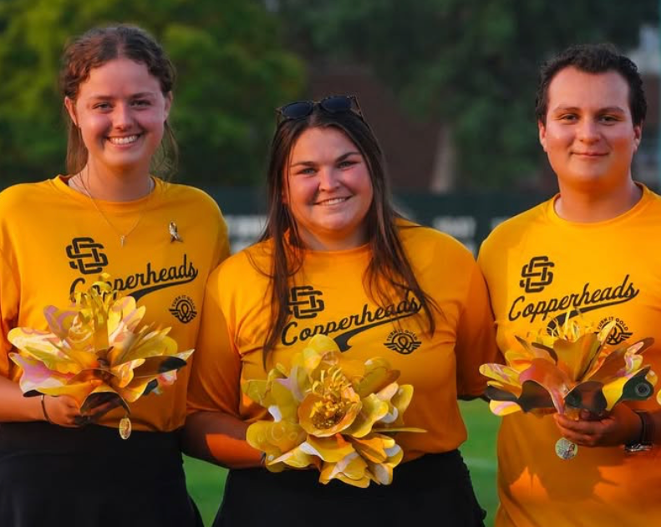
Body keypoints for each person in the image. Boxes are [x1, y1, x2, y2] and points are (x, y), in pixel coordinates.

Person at [184, 95, 496, 526]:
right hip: (281, 504)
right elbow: (198, 418)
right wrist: (292, 446)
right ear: (282, 187)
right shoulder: (237, 279)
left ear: (373, 169)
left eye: (345, 163)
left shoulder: (444, 259)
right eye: (307, 171)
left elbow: (479, 380)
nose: (329, 182)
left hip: (422, 503)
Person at [477, 43, 661, 527]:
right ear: (543, 132)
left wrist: (640, 427)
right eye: (569, 116)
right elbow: (490, 379)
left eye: (608, 117)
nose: (587, 134)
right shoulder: (504, 247)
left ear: (637, 131)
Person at [0, 24, 230, 526]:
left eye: (140, 102)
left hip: (152, 477)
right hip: (37, 479)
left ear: (167, 104)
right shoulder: (17, 211)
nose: (122, 120)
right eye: (102, 104)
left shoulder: (199, 216)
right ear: (73, 112)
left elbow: (208, 383)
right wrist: (46, 408)